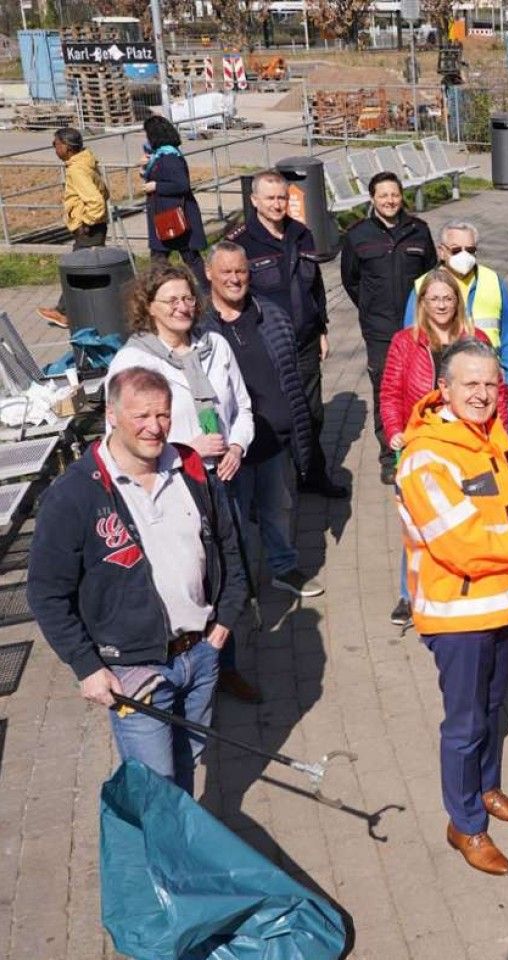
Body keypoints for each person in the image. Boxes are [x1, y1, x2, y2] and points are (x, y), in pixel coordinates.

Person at [397, 338, 508, 875]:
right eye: (469, 384)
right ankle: (466, 825)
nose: (481, 394)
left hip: (505, 605)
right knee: (465, 724)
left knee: (492, 712)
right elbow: (462, 544)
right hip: (459, 617)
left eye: (490, 384)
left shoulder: (490, 435)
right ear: (444, 389)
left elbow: (506, 509)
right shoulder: (425, 456)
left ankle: (487, 789)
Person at [27, 366, 247, 793]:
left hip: (200, 654)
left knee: (188, 764)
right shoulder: (74, 494)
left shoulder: (192, 469)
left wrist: (224, 623)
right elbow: (46, 592)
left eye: (163, 415)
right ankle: (163, 856)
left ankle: (177, 846)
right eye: (141, 416)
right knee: (156, 784)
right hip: (135, 672)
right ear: (111, 414)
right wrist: (87, 667)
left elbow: (230, 547)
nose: (155, 427)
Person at [104, 263, 263, 702]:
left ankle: (223, 664)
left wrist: (236, 447)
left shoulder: (214, 345)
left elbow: (242, 408)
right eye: (170, 300)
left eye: (187, 298)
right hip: (174, 487)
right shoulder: (133, 362)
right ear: (148, 308)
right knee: (193, 575)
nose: (182, 307)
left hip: (223, 480)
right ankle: (181, 669)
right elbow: (119, 435)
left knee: (229, 571)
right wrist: (184, 447)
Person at [198, 241, 323, 601]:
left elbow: (291, 376)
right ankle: (239, 582)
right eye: (226, 272)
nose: (235, 279)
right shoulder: (201, 329)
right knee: (231, 520)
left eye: (241, 271)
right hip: (228, 448)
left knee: (276, 510)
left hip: (272, 441)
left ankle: (284, 568)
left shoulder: (270, 314)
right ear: (209, 274)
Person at [228, 170, 349, 499]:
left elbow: (316, 286)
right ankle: (274, 483)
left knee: (312, 413)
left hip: (305, 339)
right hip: (265, 343)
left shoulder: (301, 234)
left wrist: (322, 327)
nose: (277, 204)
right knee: (274, 413)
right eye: (270, 198)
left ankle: (311, 474)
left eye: (282, 197)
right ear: (254, 201)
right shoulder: (240, 243)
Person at [381, 268, 490, 627]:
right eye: (434, 299)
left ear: (457, 302)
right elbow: (391, 393)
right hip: (423, 444)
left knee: (469, 516)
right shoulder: (404, 341)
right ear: (422, 303)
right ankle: (407, 594)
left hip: (467, 444)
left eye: (447, 298)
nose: (441, 305)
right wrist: (395, 430)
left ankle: (465, 582)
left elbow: (495, 391)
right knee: (420, 522)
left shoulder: (476, 338)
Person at [339, 170, 437, 485]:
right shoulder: (357, 235)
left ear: (401, 196)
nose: (390, 200)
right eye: (383, 195)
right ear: (372, 199)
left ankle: (424, 448)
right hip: (379, 329)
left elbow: (430, 275)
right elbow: (351, 280)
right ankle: (390, 456)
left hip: (417, 326)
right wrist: (370, 308)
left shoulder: (419, 231)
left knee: (424, 386)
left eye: (394, 194)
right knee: (386, 391)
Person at [403, 221, 508, 388]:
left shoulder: (493, 281)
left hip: (486, 377)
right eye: (456, 250)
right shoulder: (422, 286)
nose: (464, 255)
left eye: (470, 250)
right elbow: (409, 338)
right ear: (442, 252)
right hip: (439, 380)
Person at [38, 127, 110, 328]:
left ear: (68, 147)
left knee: (77, 271)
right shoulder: (85, 162)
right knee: (84, 270)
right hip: (93, 227)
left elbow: (96, 200)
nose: (54, 148)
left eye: (55, 144)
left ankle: (65, 313)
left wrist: (86, 222)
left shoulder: (77, 170)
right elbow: (104, 191)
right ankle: (78, 311)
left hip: (89, 230)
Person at [139, 115, 208, 291]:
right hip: (166, 214)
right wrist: (143, 168)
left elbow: (182, 184)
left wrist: (156, 185)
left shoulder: (169, 157)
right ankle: (156, 290)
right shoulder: (160, 155)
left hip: (174, 215)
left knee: (181, 256)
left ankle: (154, 291)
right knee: (173, 256)